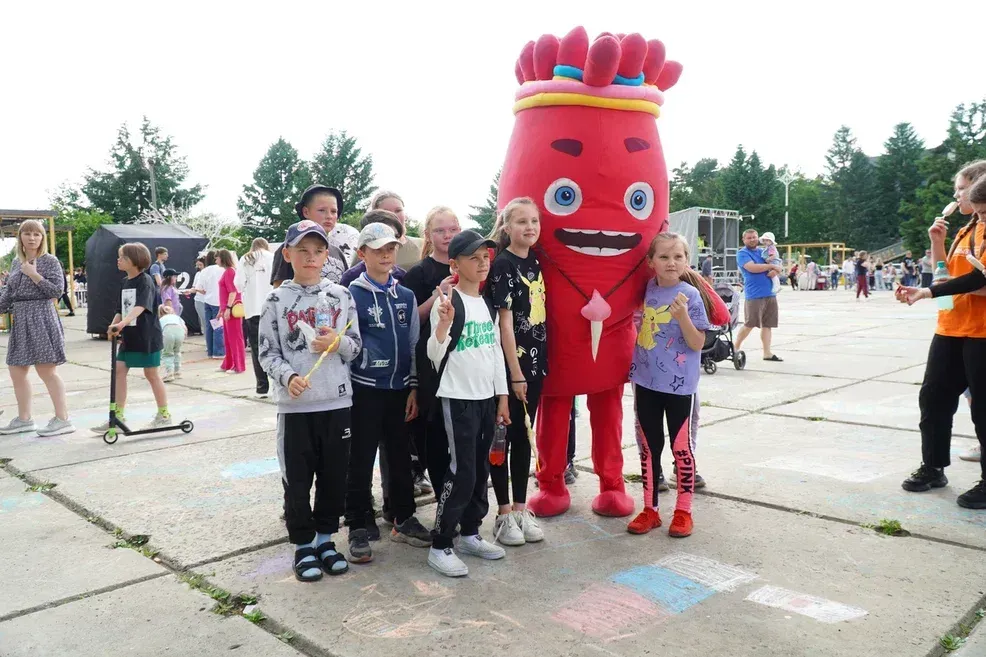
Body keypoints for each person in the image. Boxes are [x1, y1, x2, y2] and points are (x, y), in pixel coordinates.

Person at [258, 220, 362, 582]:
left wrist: (338, 342)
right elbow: (267, 353)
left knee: (334, 478)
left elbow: (355, 348)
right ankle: (303, 545)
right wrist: (288, 377)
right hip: (296, 408)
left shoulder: (341, 296)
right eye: (303, 250)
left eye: (318, 251)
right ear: (287, 254)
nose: (311, 257)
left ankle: (325, 539)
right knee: (298, 481)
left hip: (337, 404)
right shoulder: (274, 300)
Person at [896, 160, 986, 509]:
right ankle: (933, 467)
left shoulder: (983, 226)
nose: (957, 196)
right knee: (933, 398)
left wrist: (932, 291)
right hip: (951, 326)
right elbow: (945, 279)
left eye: (961, 189)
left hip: (981, 333)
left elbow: (979, 281)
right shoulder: (965, 231)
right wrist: (938, 243)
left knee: (983, 410)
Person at [344, 223, 433, 563]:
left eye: (391, 248)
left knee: (398, 456)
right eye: (377, 248)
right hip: (364, 389)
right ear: (362, 252)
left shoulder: (406, 295)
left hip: (398, 390)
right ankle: (358, 522)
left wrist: (412, 386)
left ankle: (402, 517)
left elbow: (412, 343)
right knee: (360, 457)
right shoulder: (350, 293)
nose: (385, 254)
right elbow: (347, 342)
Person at [425, 229, 510, 577]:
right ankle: (442, 542)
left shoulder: (487, 304)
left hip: (486, 400)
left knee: (481, 469)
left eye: (485, 257)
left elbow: (495, 355)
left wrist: (502, 398)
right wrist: (442, 326)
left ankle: (472, 532)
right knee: (461, 471)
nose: (482, 263)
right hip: (457, 398)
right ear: (454, 263)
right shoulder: (449, 303)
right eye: (473, 258)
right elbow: (433, 354)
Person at [627, 232, 712, 538]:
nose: (671, 262)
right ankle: (650, 510)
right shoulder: (649, 288)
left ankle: (683, 511)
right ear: (651, 262)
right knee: (649, 448)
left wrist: (683, 317)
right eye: (663, 257)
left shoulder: (690, 295)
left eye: (678, 256)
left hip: (679, 388)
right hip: (646, 382)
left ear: (687, 261)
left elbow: (697, 342)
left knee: (681, 449)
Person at [485, 198, 547, 547]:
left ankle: (522, 508)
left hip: (536, 365)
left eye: (534, 221)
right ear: (506, 227)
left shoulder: (536, 262)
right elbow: (504, 326)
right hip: (512, 368)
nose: (530, 227)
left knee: (525, 437)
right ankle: (503, 513)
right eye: (521, 221)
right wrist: (516, 374)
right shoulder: (503, 265)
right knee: (502, 441)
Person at [401, 207, 463, 503]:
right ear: (428, 235)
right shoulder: (419, 272)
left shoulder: (468, 266)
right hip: (431, 368)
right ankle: (443, 500)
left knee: (463, 439)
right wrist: (438, 294)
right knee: (435, 437)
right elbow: (410, 321)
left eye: (452, 229)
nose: (447, 235)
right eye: (440, 230)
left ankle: (462, 502)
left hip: (464, 366)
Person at [0, 219, 75, 436]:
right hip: (21, 318)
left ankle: (63, 419)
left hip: (42, 316)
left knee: (46, 370)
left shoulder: (49, 261)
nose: (32, 238)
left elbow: (57, 291)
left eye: (37, 234)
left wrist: (34, 274)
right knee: (16, 370)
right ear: (20, 237)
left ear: (43, 238)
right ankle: (24, 419)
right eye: (28, 234)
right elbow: (8, 293)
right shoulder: (15, 263)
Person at [91, 243, 172, 432]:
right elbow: (121, 308)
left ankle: (164, 414)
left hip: (147, 335)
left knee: (151, 374)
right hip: (129, 335)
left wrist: (122, 323)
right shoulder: (125, 281)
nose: (118, 260)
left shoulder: (145, 281)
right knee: (119, 370)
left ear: (134, 261)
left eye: (123, 257)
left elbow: (140, 306)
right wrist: (114, 325)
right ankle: (117, 417)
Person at [271, 185, 349, 287]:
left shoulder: (338, 253)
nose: (329, 216)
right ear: (306, 212)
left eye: (334, 211)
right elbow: (279, 293)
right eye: (322, 210)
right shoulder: (291, 248)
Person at [734, 229, 782, 361]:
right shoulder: (742, 253)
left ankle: (767, 352)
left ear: (758, 238)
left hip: (770, 293)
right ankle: (735, 347)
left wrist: (777, 269)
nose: (752, 239)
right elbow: (752, 268)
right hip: (754, 294)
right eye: (749, 238)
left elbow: (778, 263)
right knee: (750, 323)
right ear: (743, 240)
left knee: (768, 324)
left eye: (754, 237)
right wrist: (770, 267)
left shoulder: (764, 252)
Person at [236, 238, 274, 395]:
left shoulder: (245, 259)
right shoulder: (273, 257)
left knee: (257, 348)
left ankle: (262, 386)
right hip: (272, 307)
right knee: (277, 345)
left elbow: (238, 284)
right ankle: (280, 382)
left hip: (253, 309)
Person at [340, 210, 409, 287]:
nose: (388, 243)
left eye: (395, 237)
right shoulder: (351, 277)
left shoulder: (403, 276)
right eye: (381, 238)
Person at [369, 191, 424, 269]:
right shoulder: (366, 248)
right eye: (386, 211)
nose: (393, 215)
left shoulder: (422, 245)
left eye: (398, 210)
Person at [218, 249, 246, 374]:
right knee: (229, 338)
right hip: (228, 308)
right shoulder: (228, 272)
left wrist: (228, 308)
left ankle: (238, 365)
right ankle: (229, 363)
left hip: (232, 309)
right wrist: (222, 309)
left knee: (235, 338)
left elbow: (232, 291)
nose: (215, 260)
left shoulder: (230, 272)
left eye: (217, 258)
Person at [199, 251, 225, 359]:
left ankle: (210, 351)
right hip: (218, 301)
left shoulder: (204, 271)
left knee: (209, 327)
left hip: (207, 301)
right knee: (218, 327)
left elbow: (201, 288)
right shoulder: (222, 270)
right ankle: (218, 352)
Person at [159, 304, 187, 383]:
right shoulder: (177, 317)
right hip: (180, 332)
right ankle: (177, 371)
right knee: (177, 351)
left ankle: (169, 373)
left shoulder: (161, 319)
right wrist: (184, 336)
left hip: (168, 333)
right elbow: (184, 327)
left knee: (167, 353)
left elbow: (158, 331)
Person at [184, 256, 208, 336]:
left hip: (209, 300)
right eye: (197, 265)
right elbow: (194, 287)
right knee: (203, 321)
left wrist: (196, 290)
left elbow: (204, 290)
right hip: (199, 300)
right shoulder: (198, 274)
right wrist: (189, 291)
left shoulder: (209, 273)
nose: (198, 267)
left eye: (200, 265)